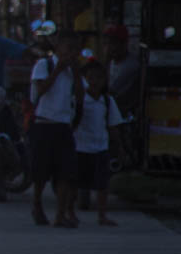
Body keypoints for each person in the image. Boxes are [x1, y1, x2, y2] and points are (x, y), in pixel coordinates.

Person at [30, 30, 85, 228]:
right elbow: (40, 90)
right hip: (44, 123)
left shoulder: (73, 71)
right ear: (58, 48)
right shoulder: (44, 65)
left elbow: (80, 96)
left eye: (75, 49)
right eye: (68, 48)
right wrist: (58, 70)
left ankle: (60, 214)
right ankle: (37, 203)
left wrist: (77, 73)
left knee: (65, 173)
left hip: (64, 125)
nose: (72, 53)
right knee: (41, 172)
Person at [75, 59, 127, 226]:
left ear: (104, 80)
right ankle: (68, 212)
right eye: (90, 77)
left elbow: (113, 126)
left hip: (100, 147)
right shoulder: (78, 100)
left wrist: (119, 147)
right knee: (73, 183)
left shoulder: (107, 101)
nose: (94, 82)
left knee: (102, 185)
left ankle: (102, 216)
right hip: (80, 146)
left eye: (98, 78)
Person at [103, 24, 140, 120]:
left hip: (122, 115)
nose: (109, 47)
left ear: (124, 44)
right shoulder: (111, 62)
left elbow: (108, 90)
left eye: (113, 43)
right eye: (107, 43)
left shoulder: (131, 65)